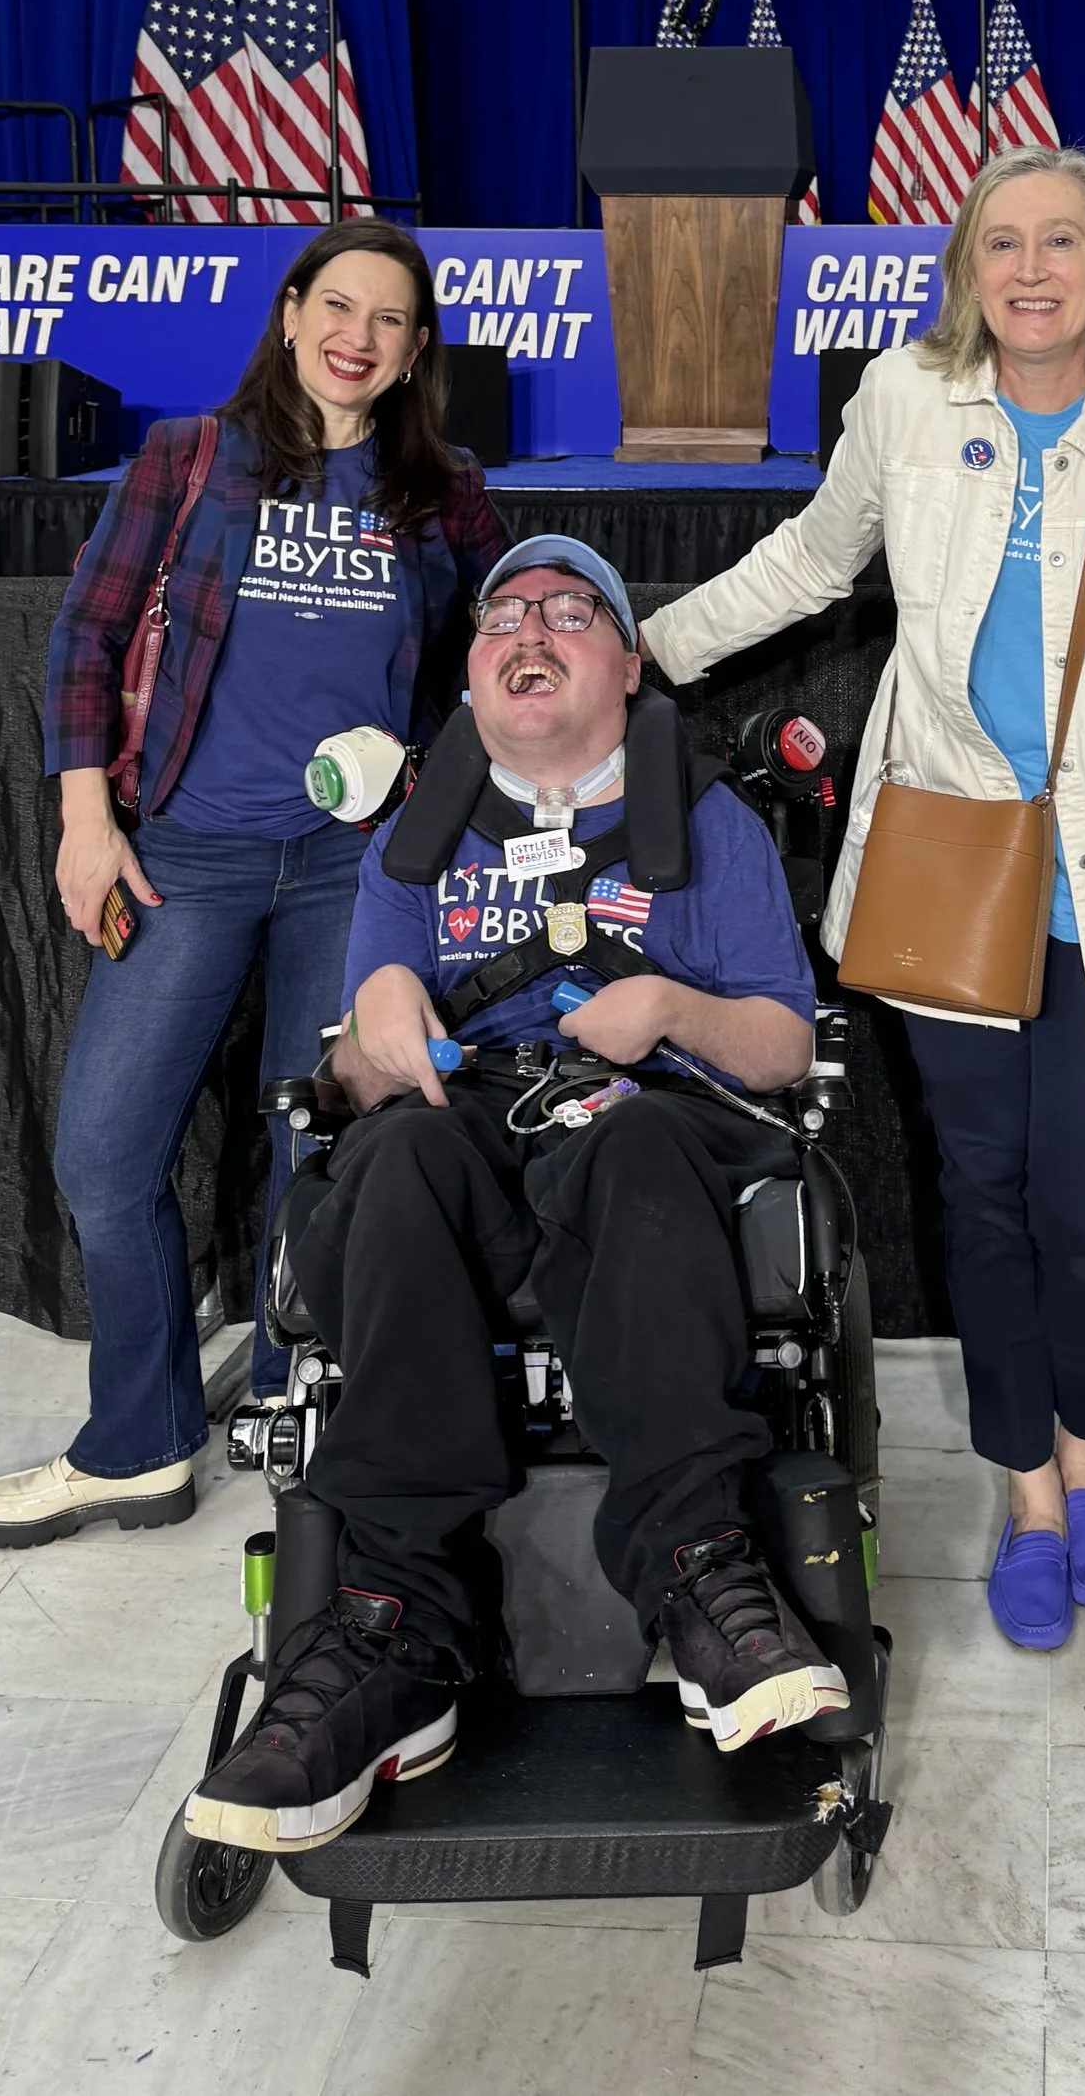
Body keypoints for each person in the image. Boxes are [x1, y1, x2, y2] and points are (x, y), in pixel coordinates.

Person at [181, 535, 847, 1856]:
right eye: (503, 616)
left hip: (649, 1130)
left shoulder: (702, 820)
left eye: (569, 609)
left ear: (627, 665)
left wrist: (669, 1005)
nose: (529, 627)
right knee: (401, 1155)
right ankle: (397, 1627)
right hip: (468, 1142)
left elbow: (784, 1049)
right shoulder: (415, 838)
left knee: (643, 1148)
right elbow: (356, 1082)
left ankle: (699, 1570)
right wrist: (372, 1023)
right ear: (474, 674)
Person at [644, 146, 1085, 1652]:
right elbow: (810, 563)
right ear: (968, 271)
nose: (1030, 270)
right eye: (1000, 244)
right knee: (986, 1196)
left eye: (1061, 244)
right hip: (949, 877)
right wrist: (649, 652)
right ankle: (1035, 1494)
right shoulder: (907, 402)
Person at [0, 222, 503, 1552]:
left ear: (417, 350)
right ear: (293, 309)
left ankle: (290, 1407)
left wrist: (421, 763)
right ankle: (139, 1444)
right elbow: (87, 631)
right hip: (185, 851)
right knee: (103, 1149)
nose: (359, 335)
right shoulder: (191, 459)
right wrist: (88, 819)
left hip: (352, 871)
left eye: (390, 319)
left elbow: (508, 671)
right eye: (339, 304)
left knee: (319, 1149)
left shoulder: (444, 489)